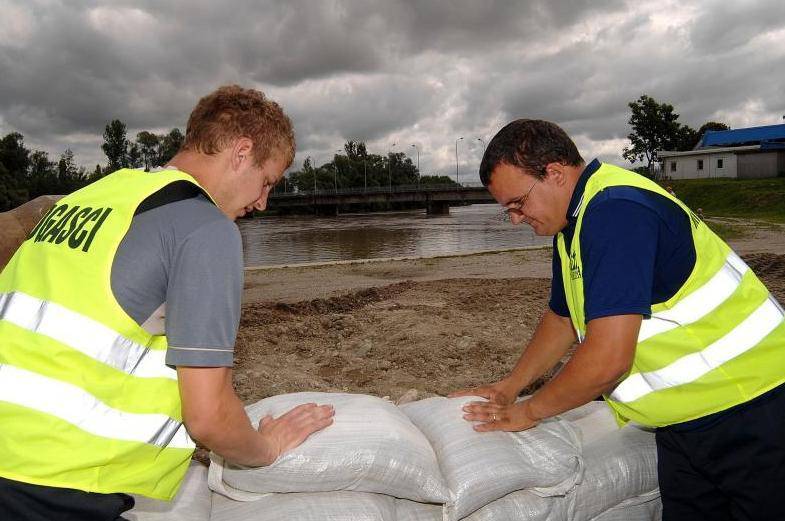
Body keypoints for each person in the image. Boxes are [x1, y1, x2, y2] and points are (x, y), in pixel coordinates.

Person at [0, 85, 334, 520]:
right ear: (241, 151)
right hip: (51, 485)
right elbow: (209, 418)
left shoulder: (88, 199)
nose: (263, 203)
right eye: (266, 181)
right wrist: (267, 447)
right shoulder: (204, 229)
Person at [451, 119, 785, 521]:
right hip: (686, 423)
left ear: (555, 173)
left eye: (518, 204)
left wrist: (529, 411)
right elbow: (561, 317)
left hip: (754, 412)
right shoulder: (574, 223)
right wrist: (509, 387)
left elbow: (608, 360)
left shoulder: (616, 211)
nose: (516, 219)